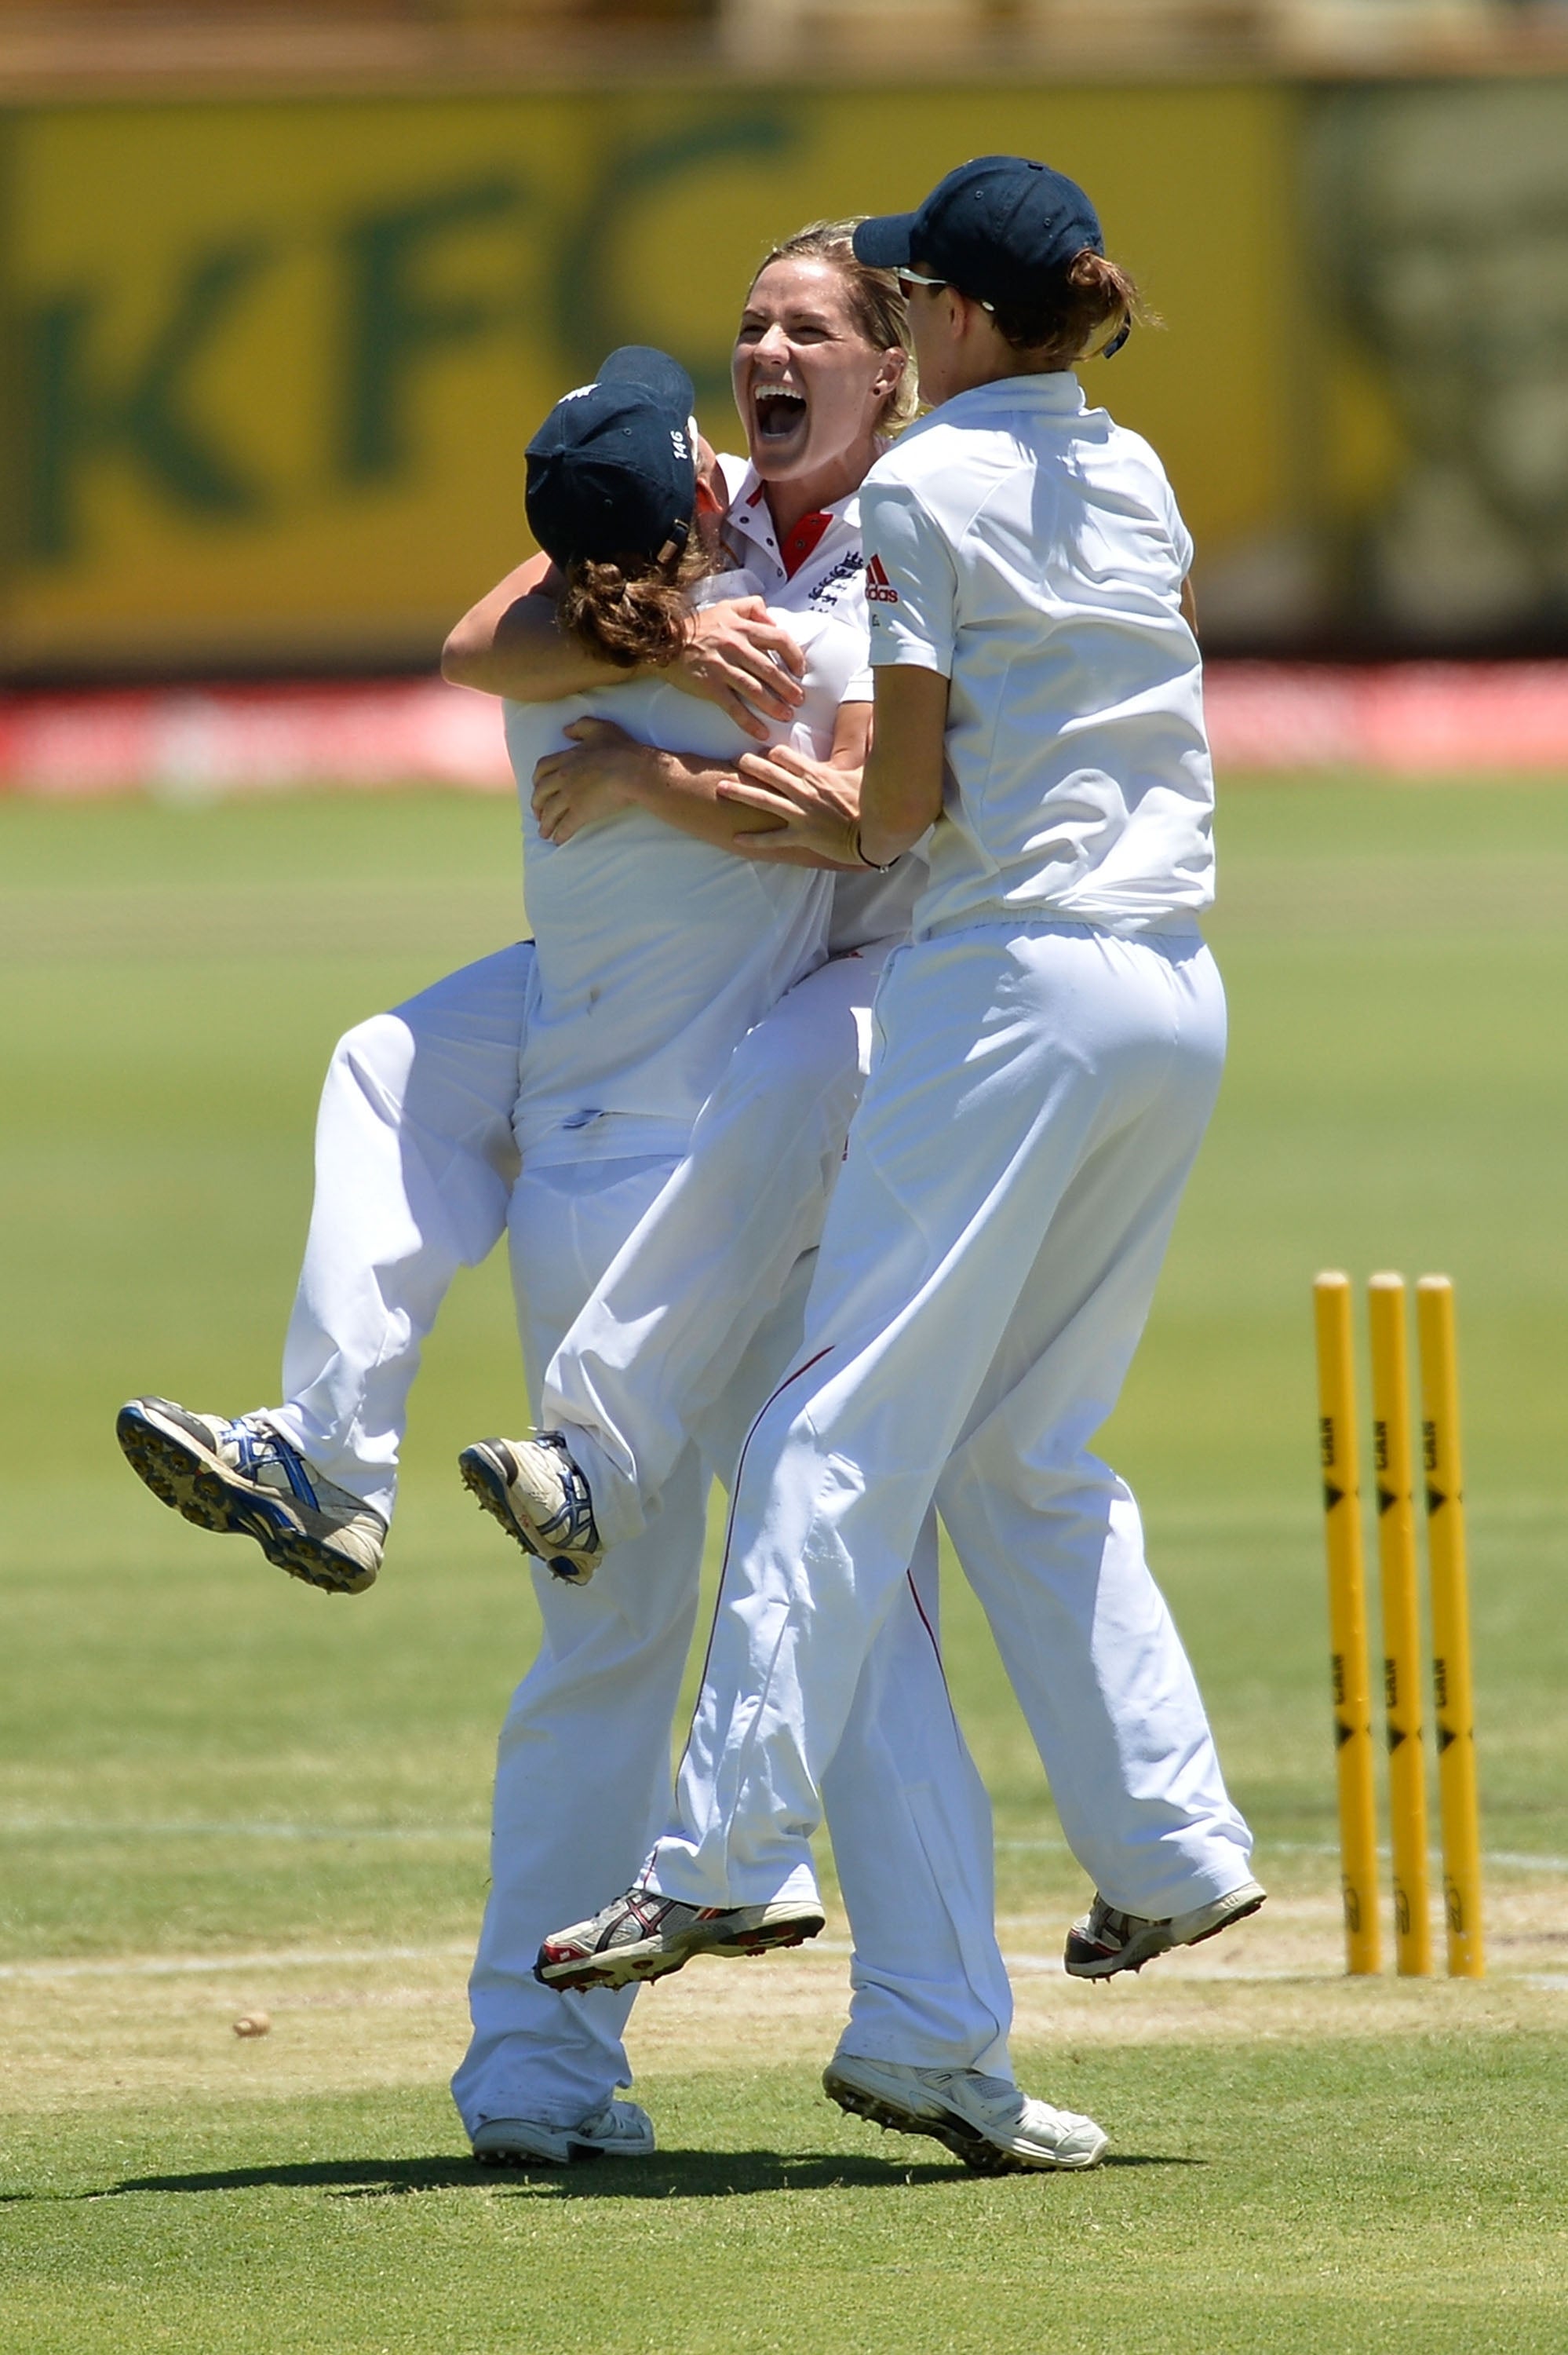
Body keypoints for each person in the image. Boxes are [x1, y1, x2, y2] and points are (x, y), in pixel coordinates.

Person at [118, 265, 1103, 2172]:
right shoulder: (796, 607)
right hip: (742, 1205)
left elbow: (499, 632)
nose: (764, 363)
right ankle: (933, 2039)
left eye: (801, 330)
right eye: (754, 339)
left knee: (606, 1661)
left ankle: (536, 2073)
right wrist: (681, 717)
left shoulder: (697, 578)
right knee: (856, 1620)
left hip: (600, 1190)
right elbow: (826, 783)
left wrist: (632, 707)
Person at [534, 158, 1264, 2010]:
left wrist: (691, 794)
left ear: (942, 319)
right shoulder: (1136, 463)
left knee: (829, 1433)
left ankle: (712, 1864)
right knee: (1028, 1451)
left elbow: (893, 807)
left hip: (1010, 989)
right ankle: (1173, 1850)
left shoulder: (927, 487)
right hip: (1176, 989)